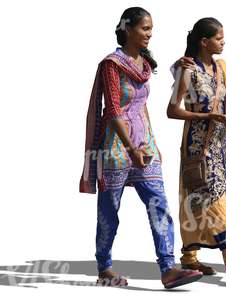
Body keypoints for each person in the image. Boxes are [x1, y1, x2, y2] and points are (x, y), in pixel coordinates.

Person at [79, 7, 203, 288]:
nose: (150, 34)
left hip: (145, 144)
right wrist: (131, 148)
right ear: (128, 29)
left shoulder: (144, 65)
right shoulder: (112, 64)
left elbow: (144, 104)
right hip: (116, 147)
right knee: (110, 208)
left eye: (151, 29)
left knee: (159, 204)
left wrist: (148, 145)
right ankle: (105, 266)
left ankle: (168, 268)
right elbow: (112, 109)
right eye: (145, 28)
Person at [167, 17, 226, 282]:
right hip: (196, 146)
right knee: (213, 200)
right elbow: (172, 110)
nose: (223, 42)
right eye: (218, 38)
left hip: (220, 146)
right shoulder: (187, 70)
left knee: (198, 202)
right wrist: (207, 117)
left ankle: (190, 257)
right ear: (204, 41)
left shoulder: (221, 68)